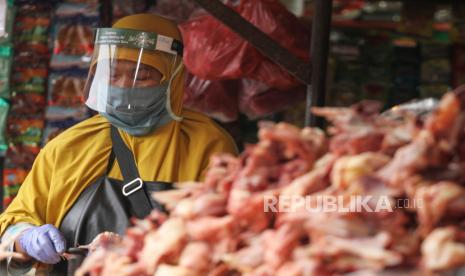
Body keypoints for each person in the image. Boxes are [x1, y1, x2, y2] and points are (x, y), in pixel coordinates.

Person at [0, 14, 237, 274]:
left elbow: (231, 236)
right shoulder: (68, 146)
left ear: (173, 78)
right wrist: (24, 238)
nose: (125, 87)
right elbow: (13, 224)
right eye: (113, 75)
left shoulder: (208, 145)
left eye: (142, 76)